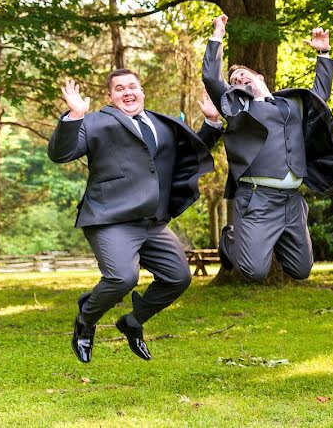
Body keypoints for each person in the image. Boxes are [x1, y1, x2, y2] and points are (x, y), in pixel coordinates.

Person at [48, 72, 222, 363]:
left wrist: (212, 123)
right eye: (119, 89)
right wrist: (75, 114)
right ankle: (86, 319)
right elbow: (60, 153)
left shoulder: (163, 124)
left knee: (178, 277)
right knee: (122, 278)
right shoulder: (95, 122)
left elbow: (188, 154)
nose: (127, 93)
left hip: (153, 221)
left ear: (142, 90)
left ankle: (132, 322)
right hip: (110, 219)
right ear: (110, 97)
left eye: (132, 87)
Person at [202, 15, 333, 283]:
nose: (239, 79)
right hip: (256, 199)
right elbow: (211, 79)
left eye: (243, 74)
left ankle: (266, 238)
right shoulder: (238, 108)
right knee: (253, 272)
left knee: (301, 270)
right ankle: (232, 237)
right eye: (235, 80)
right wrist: (217, 34)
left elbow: (320, 94)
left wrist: (323, 53)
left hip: (292, 201)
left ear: (259, 76)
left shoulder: (292, 104)